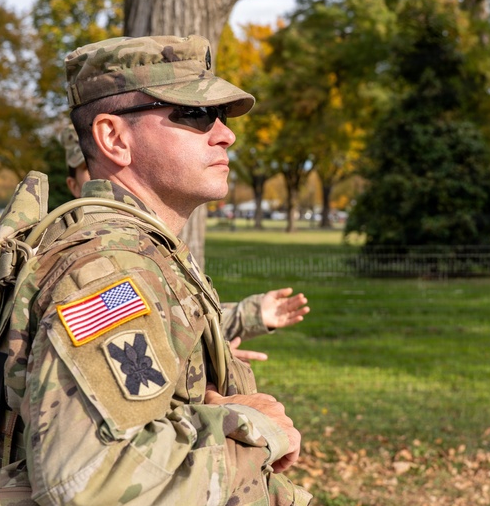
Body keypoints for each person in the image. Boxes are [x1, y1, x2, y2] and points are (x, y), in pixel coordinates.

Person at [0, 35, 310, 506]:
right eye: (194, 115)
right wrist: (253, 429)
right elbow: (87, 476)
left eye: (219, 115)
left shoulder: (140, 253)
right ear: (113, 136)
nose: (226, 133)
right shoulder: (109, 270)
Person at [61, 121, 309, 361]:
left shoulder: (144, 243)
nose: (226, 135)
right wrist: (224, 402)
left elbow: (172, 326)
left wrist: (247, 316)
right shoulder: (104, 260)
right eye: (89, 167)